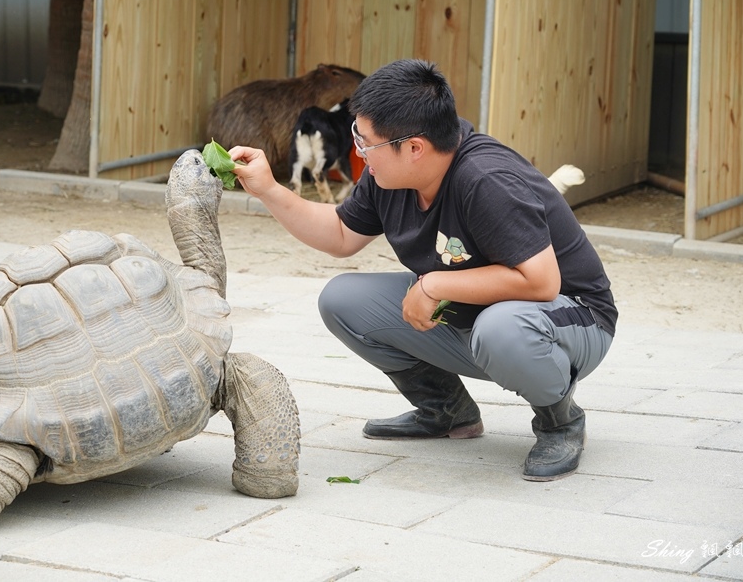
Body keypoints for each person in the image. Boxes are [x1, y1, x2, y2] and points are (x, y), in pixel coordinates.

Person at [228, 58, 617, 481]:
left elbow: (541, 282)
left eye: (366, 142)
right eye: (357, 134)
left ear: (414, 147)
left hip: (571, 320)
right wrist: (268, 189)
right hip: (480, 315)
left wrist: (433, 284)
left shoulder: (486, 178)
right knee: (342, 301)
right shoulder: (388, 175)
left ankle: (560, 422)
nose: (359, 151)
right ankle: (446, 411)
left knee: (502, 328)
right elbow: (340, 234)